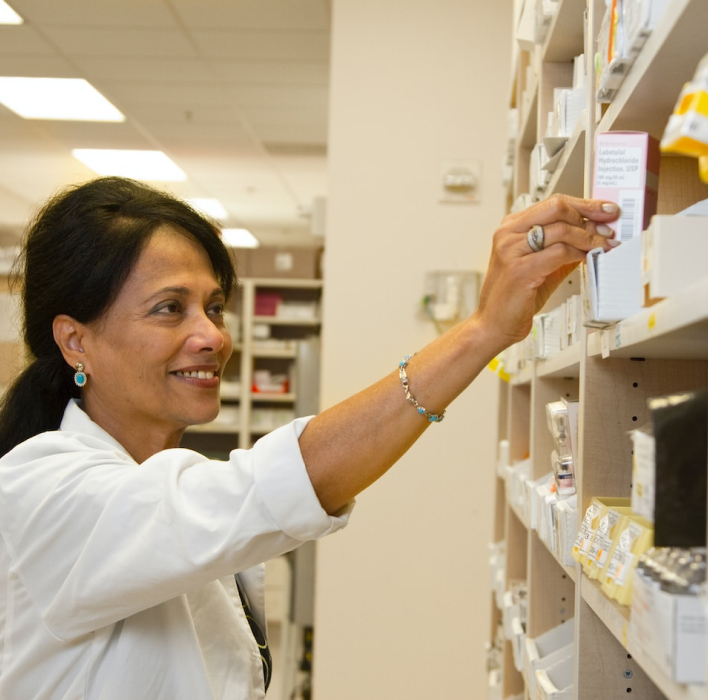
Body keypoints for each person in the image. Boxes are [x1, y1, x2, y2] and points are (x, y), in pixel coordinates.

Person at [0, 176, 619, 699]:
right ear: (76, 340)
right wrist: (483, 330)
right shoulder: (43, 488)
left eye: (214, 307)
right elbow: (284, 482)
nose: (213, 336)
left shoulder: (160, 479)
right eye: (170, 308)